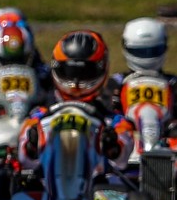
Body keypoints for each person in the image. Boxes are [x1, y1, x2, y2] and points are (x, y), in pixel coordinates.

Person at [15, 29, 133, 173]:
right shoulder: (39, 117)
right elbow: (25, 160)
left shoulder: (114, 122)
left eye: (85, 73)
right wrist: (32, 145)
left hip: (97, 183)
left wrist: (112, 146)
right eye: (70, 72)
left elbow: (122, 160)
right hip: (47, 182)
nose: (76, 82)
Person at [107, 17, 177, 132]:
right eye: (140, 52)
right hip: (124, 136)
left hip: (164, 136)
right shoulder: (116, 83)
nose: (146, 55)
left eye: (153, 50)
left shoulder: (175, 85)